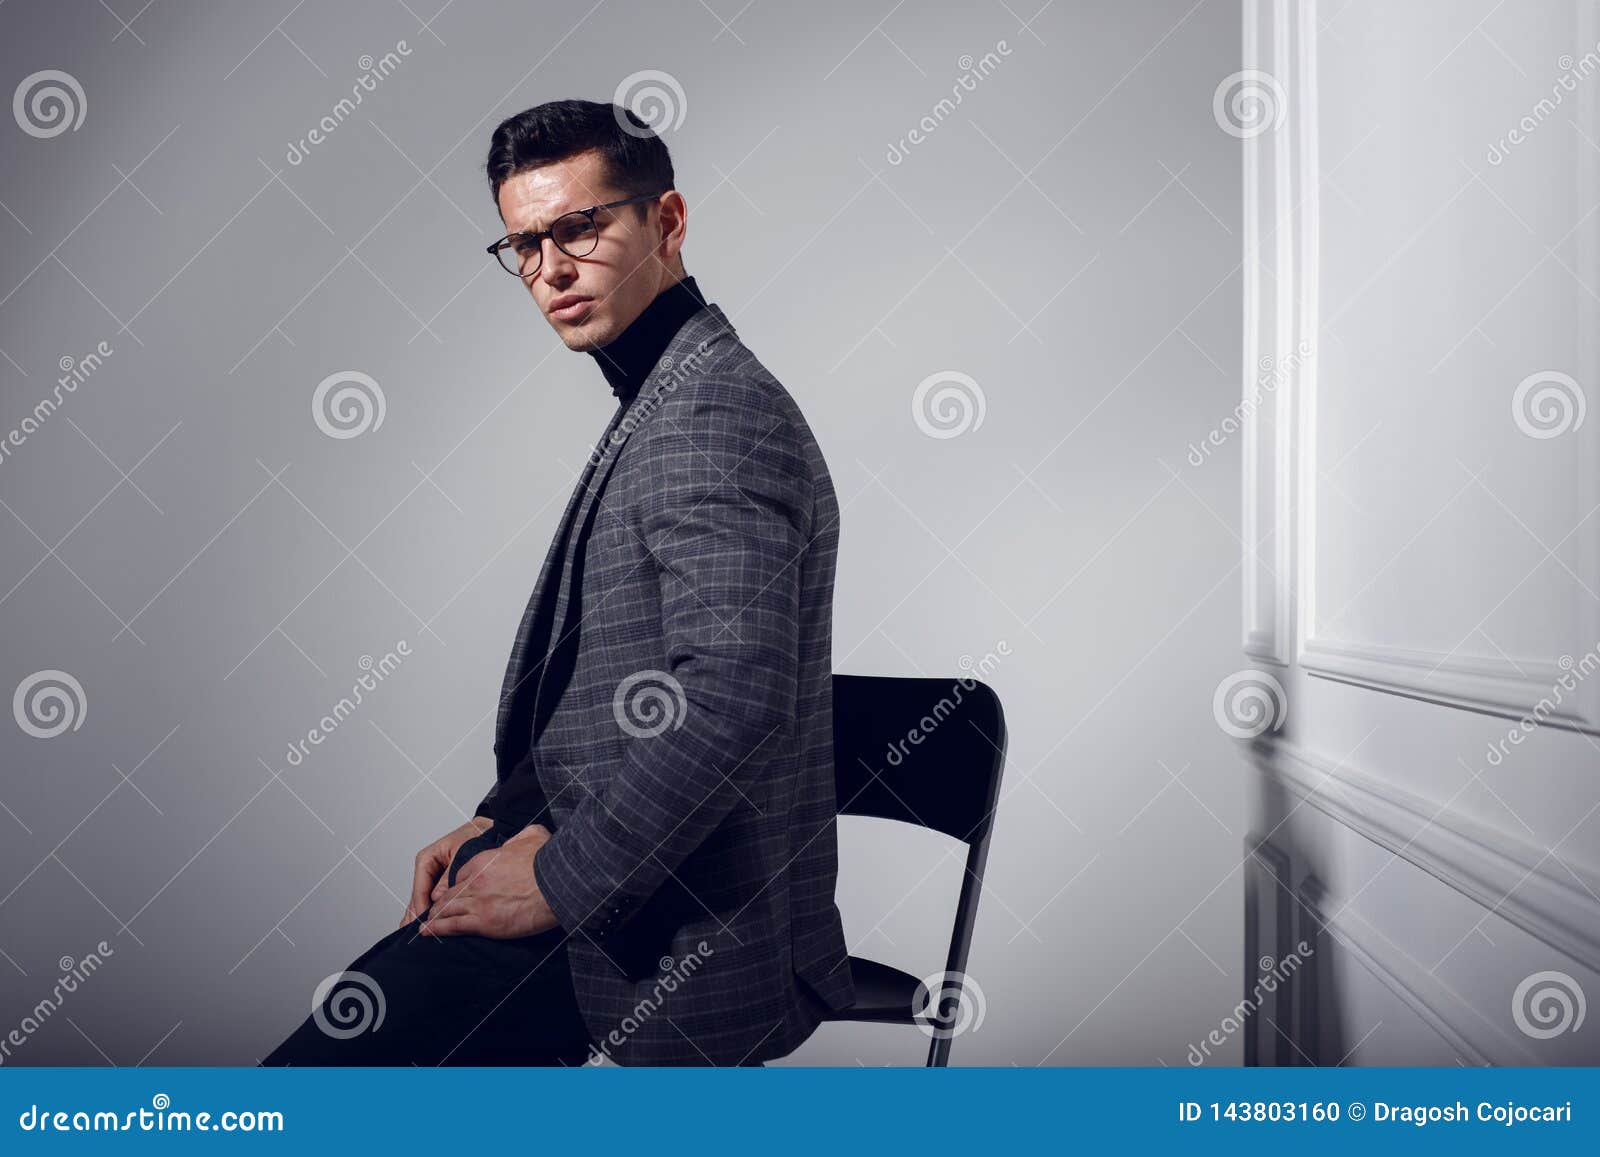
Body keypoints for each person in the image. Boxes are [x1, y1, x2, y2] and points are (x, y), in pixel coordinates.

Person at [262, 98, 853, 1067]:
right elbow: (619, 676)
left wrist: (557, 875)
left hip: (662, 930)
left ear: (666, 221)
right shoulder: (664, 391)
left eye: (580, 227)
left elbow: (734, 692)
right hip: (609, 879)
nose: (551, 271)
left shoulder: (710, 412)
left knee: (310, 1086)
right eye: (524, 244)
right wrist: (511, 818)